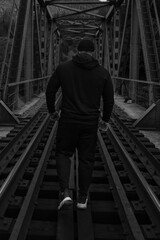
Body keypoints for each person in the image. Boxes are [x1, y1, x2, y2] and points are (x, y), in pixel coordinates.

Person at [46, 39, 114, 210]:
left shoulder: (64, 68)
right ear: (93, 51)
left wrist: (52, 112)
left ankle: (65, 193)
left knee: (63, 154)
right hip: (90, 123)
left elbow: (50, 90)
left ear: (77, 50)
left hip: (68, 120)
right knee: (86, 159)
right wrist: (105, 120)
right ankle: (82, 198)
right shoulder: (103, 73)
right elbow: (109, 100)